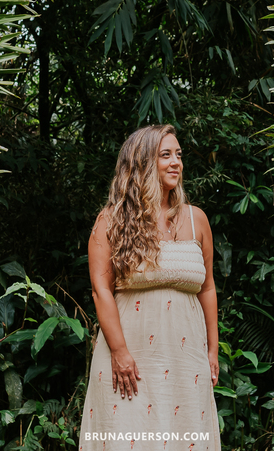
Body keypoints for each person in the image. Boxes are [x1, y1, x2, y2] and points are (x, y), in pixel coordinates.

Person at [78, 124, 220, 451]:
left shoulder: (197, 219)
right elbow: (101, 290)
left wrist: (211, 349)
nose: (176, 163)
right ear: (142, 163)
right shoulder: (111, 221)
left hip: (186, 360)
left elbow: (208, 288)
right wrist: (119, 352)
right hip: (130, 360)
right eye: (165, 155)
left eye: (179, 155)